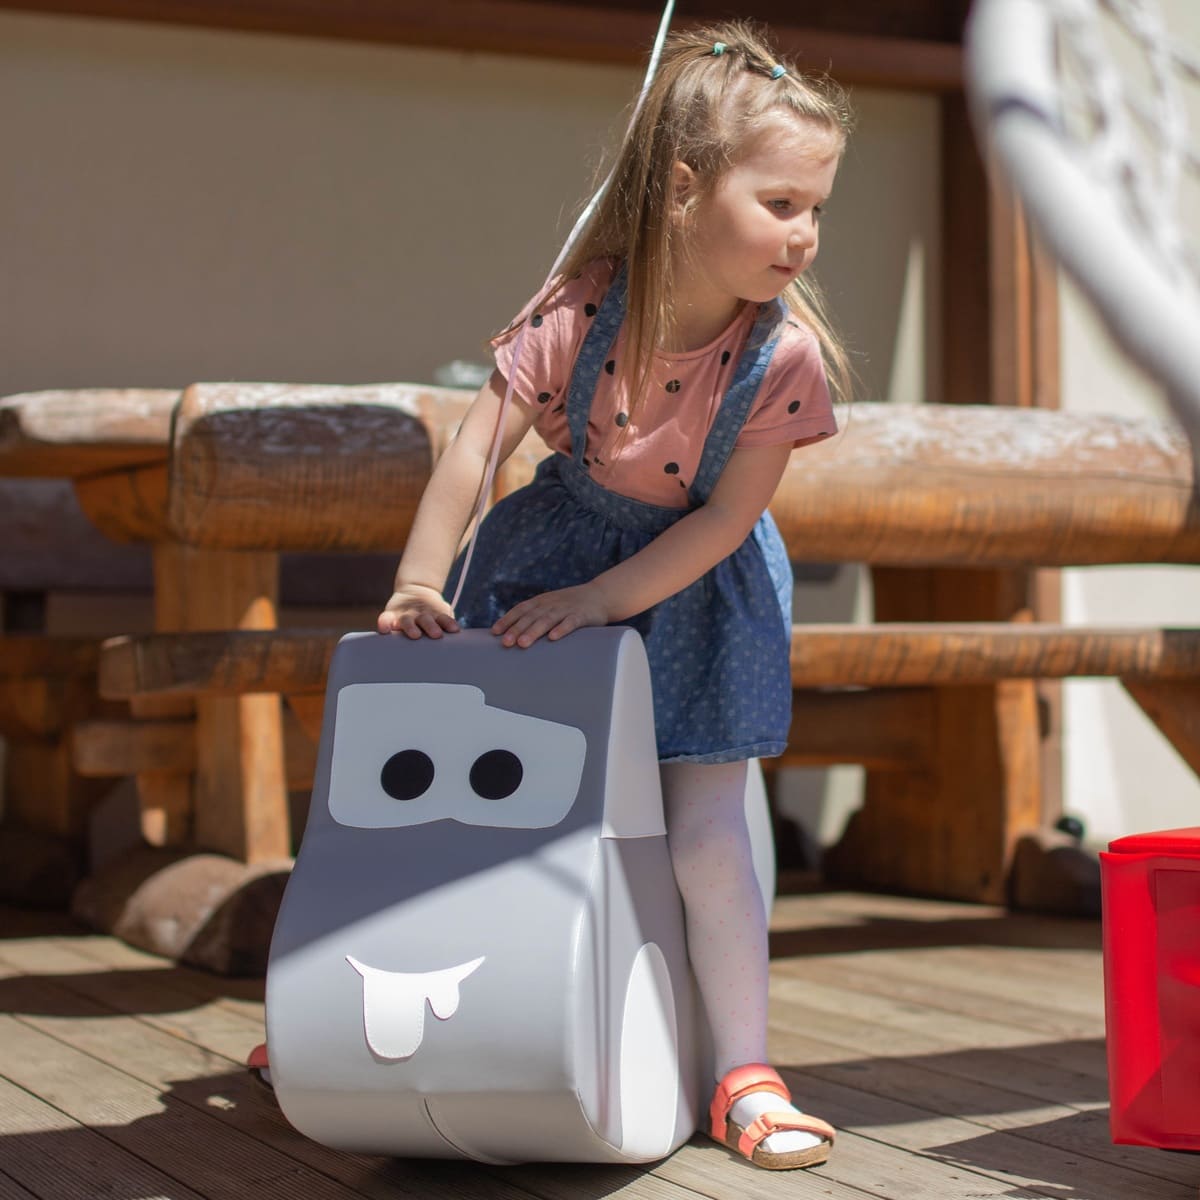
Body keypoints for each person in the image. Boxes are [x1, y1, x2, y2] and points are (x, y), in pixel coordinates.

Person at [377, 19, 852, 1172]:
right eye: (780, 202)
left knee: (704, 837)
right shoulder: (576, 311)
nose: (805, 235)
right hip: (550, 563)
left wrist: (607, 599)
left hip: (695, 591)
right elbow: (472, 450)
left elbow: (728, 522)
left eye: (817, 209)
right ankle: (376, 1017)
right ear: (686, 190)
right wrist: (416, 579)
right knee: (489, 810)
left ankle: (743, 1071)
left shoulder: (781, 361)